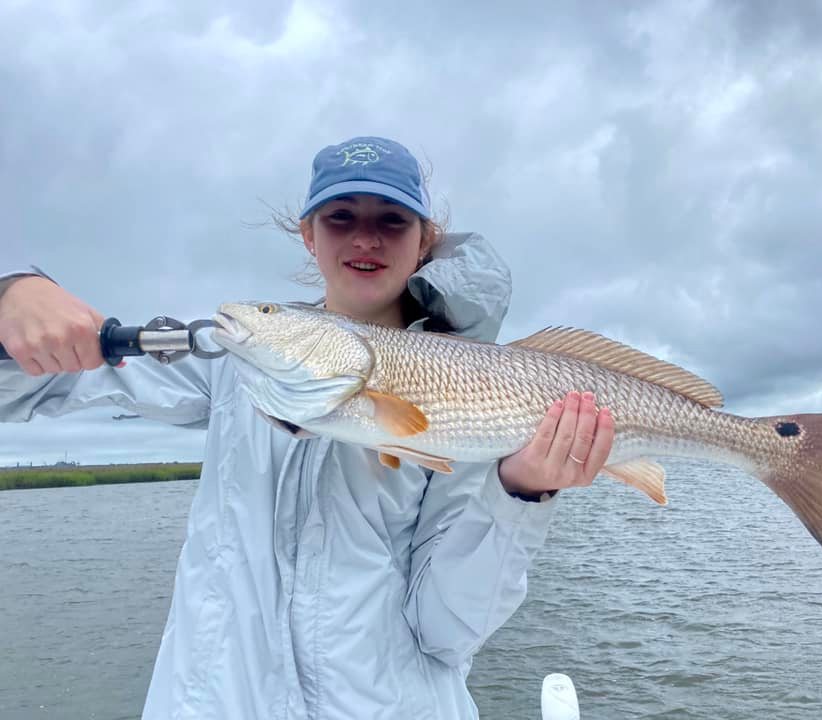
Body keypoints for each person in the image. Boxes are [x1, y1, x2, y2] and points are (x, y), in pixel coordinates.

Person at [0, 136, 614, 719]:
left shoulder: (474, 398)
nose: (365, 237)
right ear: (308, 236)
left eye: (392, 220)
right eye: (340, 216)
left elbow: (448, 631)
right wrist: (13, 296)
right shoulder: (235, 359)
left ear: (425, 239)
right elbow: (34, 388)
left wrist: (521, 494)